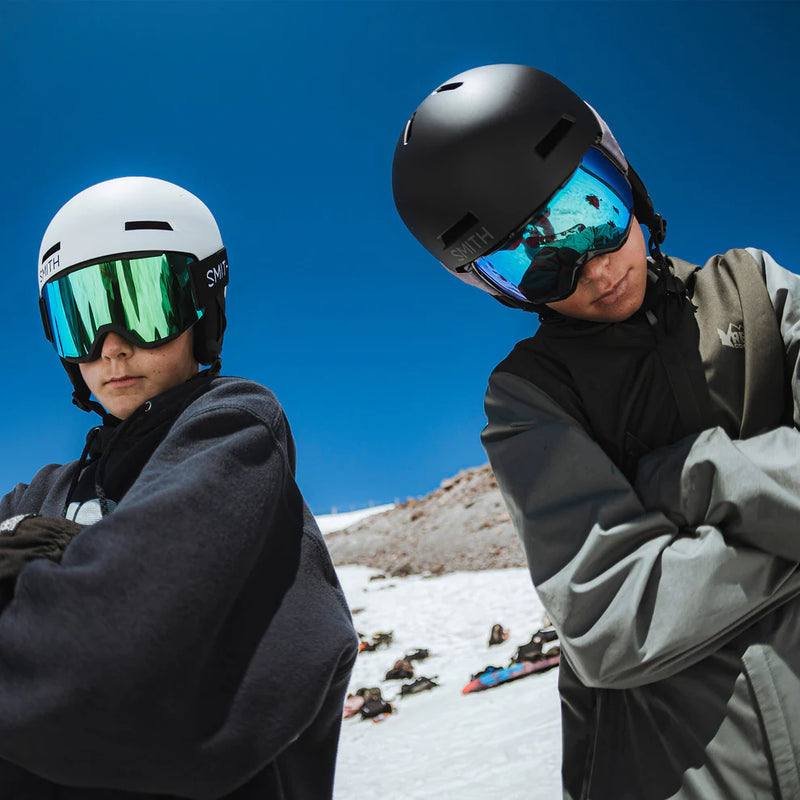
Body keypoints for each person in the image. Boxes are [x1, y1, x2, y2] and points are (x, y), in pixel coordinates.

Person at [392, 64, 800, 799]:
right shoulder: (531, 396)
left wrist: (697, 475)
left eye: (593, 212)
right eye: (536, 265)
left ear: (624, 177)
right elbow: (617, 623)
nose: (594, 273)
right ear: (496, 288)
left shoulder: (755, 292)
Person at [0, 176, 358, 798]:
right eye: (81, 318)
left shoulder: (234, 433)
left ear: (202, 306)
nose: (112, 348)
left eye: (142, 305)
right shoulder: (41, 495)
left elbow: (108, 656)